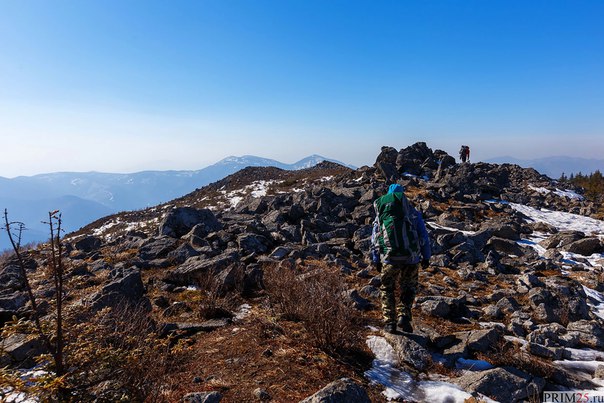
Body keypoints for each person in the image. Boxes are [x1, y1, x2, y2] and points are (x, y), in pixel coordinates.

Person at [370, 184, 431, 334]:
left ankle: (390, 322)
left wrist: (376, 258)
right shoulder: (413, 212)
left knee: (387, 288)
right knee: (409, 287)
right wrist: (426, 257)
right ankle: (403, 315)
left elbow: (375, 238)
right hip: (411, 258)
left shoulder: (382, 213)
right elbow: (423, 236)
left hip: (389, 258)